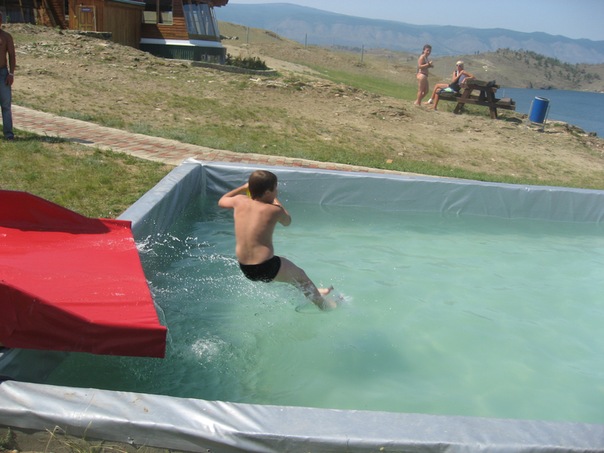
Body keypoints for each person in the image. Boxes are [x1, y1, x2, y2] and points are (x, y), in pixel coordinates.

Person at [218, 170, 336, 311]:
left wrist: (243, 188)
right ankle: (324, 306)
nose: (277, 191)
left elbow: (222, 200)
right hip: (266, 267)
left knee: (286, 264)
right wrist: (275, 201)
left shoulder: (239, 201)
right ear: (268, 192)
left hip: (246, 268)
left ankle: (313, 291)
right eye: (275, 188)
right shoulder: (273, 210)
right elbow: (287, 221)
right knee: (301, 276)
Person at [0, 11, 15, 140]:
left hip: (2, 73)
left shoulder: (6, 37)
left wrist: (11, 73)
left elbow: (11, 55)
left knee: (5, 104)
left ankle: (8, 133)